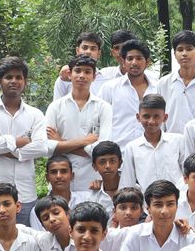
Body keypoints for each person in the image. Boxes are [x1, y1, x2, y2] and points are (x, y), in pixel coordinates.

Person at [0, 57, 49, 226]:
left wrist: (11, 151)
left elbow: (42, 147)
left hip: (25, 194)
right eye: (8, 77)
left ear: (25, 82)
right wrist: (20, 141)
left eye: (18, 77)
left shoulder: (35, 114)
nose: (14, 81)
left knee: (26, 241)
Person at [43, 54, 112, 192]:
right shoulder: (55, 107)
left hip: (92, 180)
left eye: (87, 72)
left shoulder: (104, 107)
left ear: (94, 76)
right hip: (61, 180)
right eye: (78, 71)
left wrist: (61, 142)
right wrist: (84, 141)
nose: (82, 76)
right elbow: (47, 147)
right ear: (69, 74)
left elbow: (102, 150)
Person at [120, 94, 188, 192]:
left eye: (156, 116)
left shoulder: (178, 141)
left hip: (177, 198)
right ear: (138, 117)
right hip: (147, 200)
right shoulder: (132, 147)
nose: (151, 121)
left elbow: (187, 173)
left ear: (165, 117)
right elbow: (127, 182)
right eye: (146, 116)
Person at [98, 39, 156, 147]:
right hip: (118, 151)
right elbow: (98, 120)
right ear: (124, 62)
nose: (134, 63)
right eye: (130, 59)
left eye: (139, 58)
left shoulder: (158, 88)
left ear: (147, 62)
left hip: (151, 150)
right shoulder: (110, 88)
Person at [160, 30, 195, 132]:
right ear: (174, 54)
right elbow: (158, 114)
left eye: (189, 49)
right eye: (180, 50)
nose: (184, 54)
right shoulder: (163, 84)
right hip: (170, 139)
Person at [53, 31, 104, 99]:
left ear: (99, 54)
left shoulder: (105, 81)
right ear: (77, 50)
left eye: (93, 49)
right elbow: (57, 103)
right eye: (85, 48)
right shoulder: (64, 78)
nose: (88, 52)